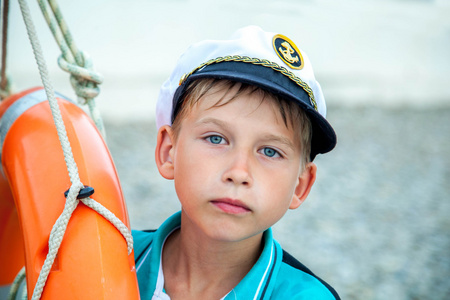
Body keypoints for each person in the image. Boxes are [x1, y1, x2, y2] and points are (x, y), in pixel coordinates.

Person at [132, 25, 339, 300]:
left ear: (300, 185)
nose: (239, 173)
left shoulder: (308, 296)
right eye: (216, 139)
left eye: (269, 151)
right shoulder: (104, 253)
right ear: (169, 152)